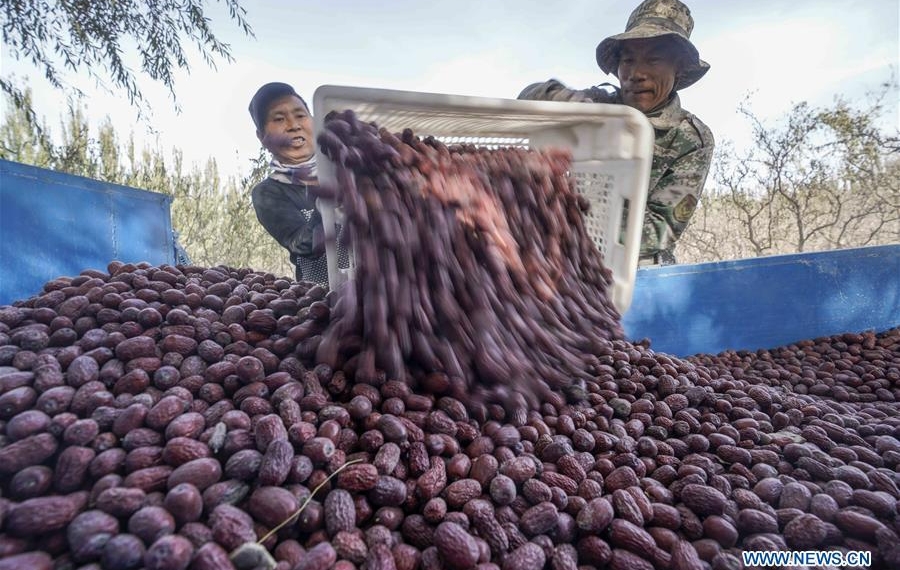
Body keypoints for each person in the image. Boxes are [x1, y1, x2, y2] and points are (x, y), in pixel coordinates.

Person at [519, 0, 714, 265]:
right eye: (628, 60)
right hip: (562, 253)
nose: (636, 73)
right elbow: (529, 98)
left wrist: (579, 224)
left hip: (633, 265)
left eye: (653, 59)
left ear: (678, 68)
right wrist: (561, 97)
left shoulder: (689, 139)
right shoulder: (601, 104)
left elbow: (660, 229)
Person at [248, 82, 330, 285]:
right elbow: (303, 245)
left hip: (380, 289)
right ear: (262, 137)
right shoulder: (269, 193)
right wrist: (329, 200)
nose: (294, 125)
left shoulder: (348, 169)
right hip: (323, 297)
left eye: (300, 115)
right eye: (279, 119)